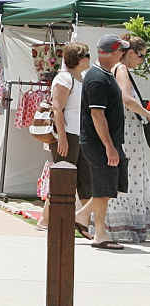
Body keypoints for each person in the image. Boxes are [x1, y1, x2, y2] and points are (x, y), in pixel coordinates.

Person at [74, 34, 129, 250]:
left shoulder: (104, 74)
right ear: (112, 52)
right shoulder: (97, 78)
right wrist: (109, 146)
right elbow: (97, 115)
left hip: (105, 142)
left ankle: (82, 215)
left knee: (108, 186)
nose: (122, 54)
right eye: (120, 51)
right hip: (99, 143)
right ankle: (100, 233)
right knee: (103, 187)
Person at [101, 34, 150, 243]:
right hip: (128, 133)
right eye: (140, 56)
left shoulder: (114, 69)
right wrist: (146, 114)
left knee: (123, 176)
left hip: (123, 130)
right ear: (129, 53)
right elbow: (126, 98)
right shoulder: (121, 69)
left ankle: (113, 223)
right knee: (132, 176)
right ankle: (127, 225)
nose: (141, 62)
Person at [37, 42, 89, 230]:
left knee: (83, 178)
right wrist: (63, 137)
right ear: (79, 59)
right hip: (68, 134)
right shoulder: (64, 79)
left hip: (79, 134)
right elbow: (58, 109)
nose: (89, 59)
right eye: (86, 55)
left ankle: (84, 222)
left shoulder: (80, 78)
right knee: (63, 177)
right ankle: (45, 219)